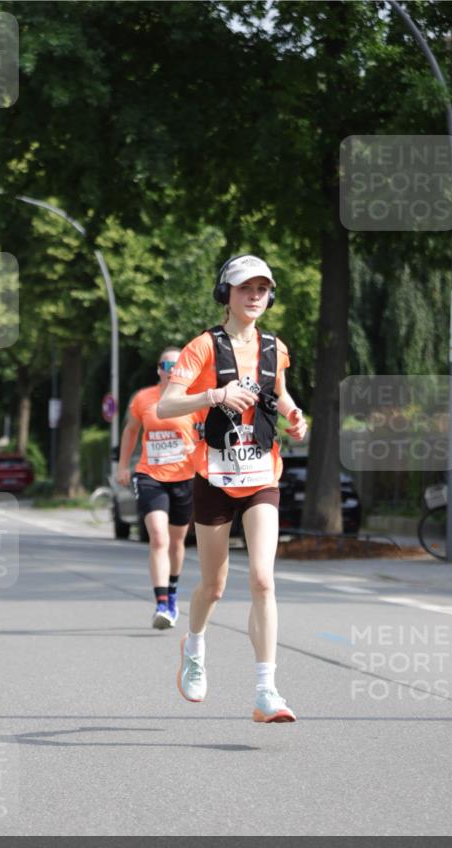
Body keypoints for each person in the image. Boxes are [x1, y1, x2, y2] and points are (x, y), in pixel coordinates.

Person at [157, 254, 308, 723]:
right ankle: (194, 646)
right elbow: (166, 405)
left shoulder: (275, 348)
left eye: (263, 289)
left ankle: (266, 692)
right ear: (226, 294)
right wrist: (215, 395)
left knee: (263, 579)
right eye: (246, 288)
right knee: (214, 586)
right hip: (215, 478)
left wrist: (294, 414)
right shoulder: (203, 347)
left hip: (262, 474)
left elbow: (279, 393)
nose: (255, 297)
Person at [116, 347, 201, 629]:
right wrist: (123, 465)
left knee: (176, 543)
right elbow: (131, 431)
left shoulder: (193, 399)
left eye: (177, 366)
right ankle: (162, 603)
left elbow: (207, 435)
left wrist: (197, 449)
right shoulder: (144, 398)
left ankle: (172, 592)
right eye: (167, 365)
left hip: (184, 477)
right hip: (150, 476)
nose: (172, 370)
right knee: (158, 537)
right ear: (159, 370)